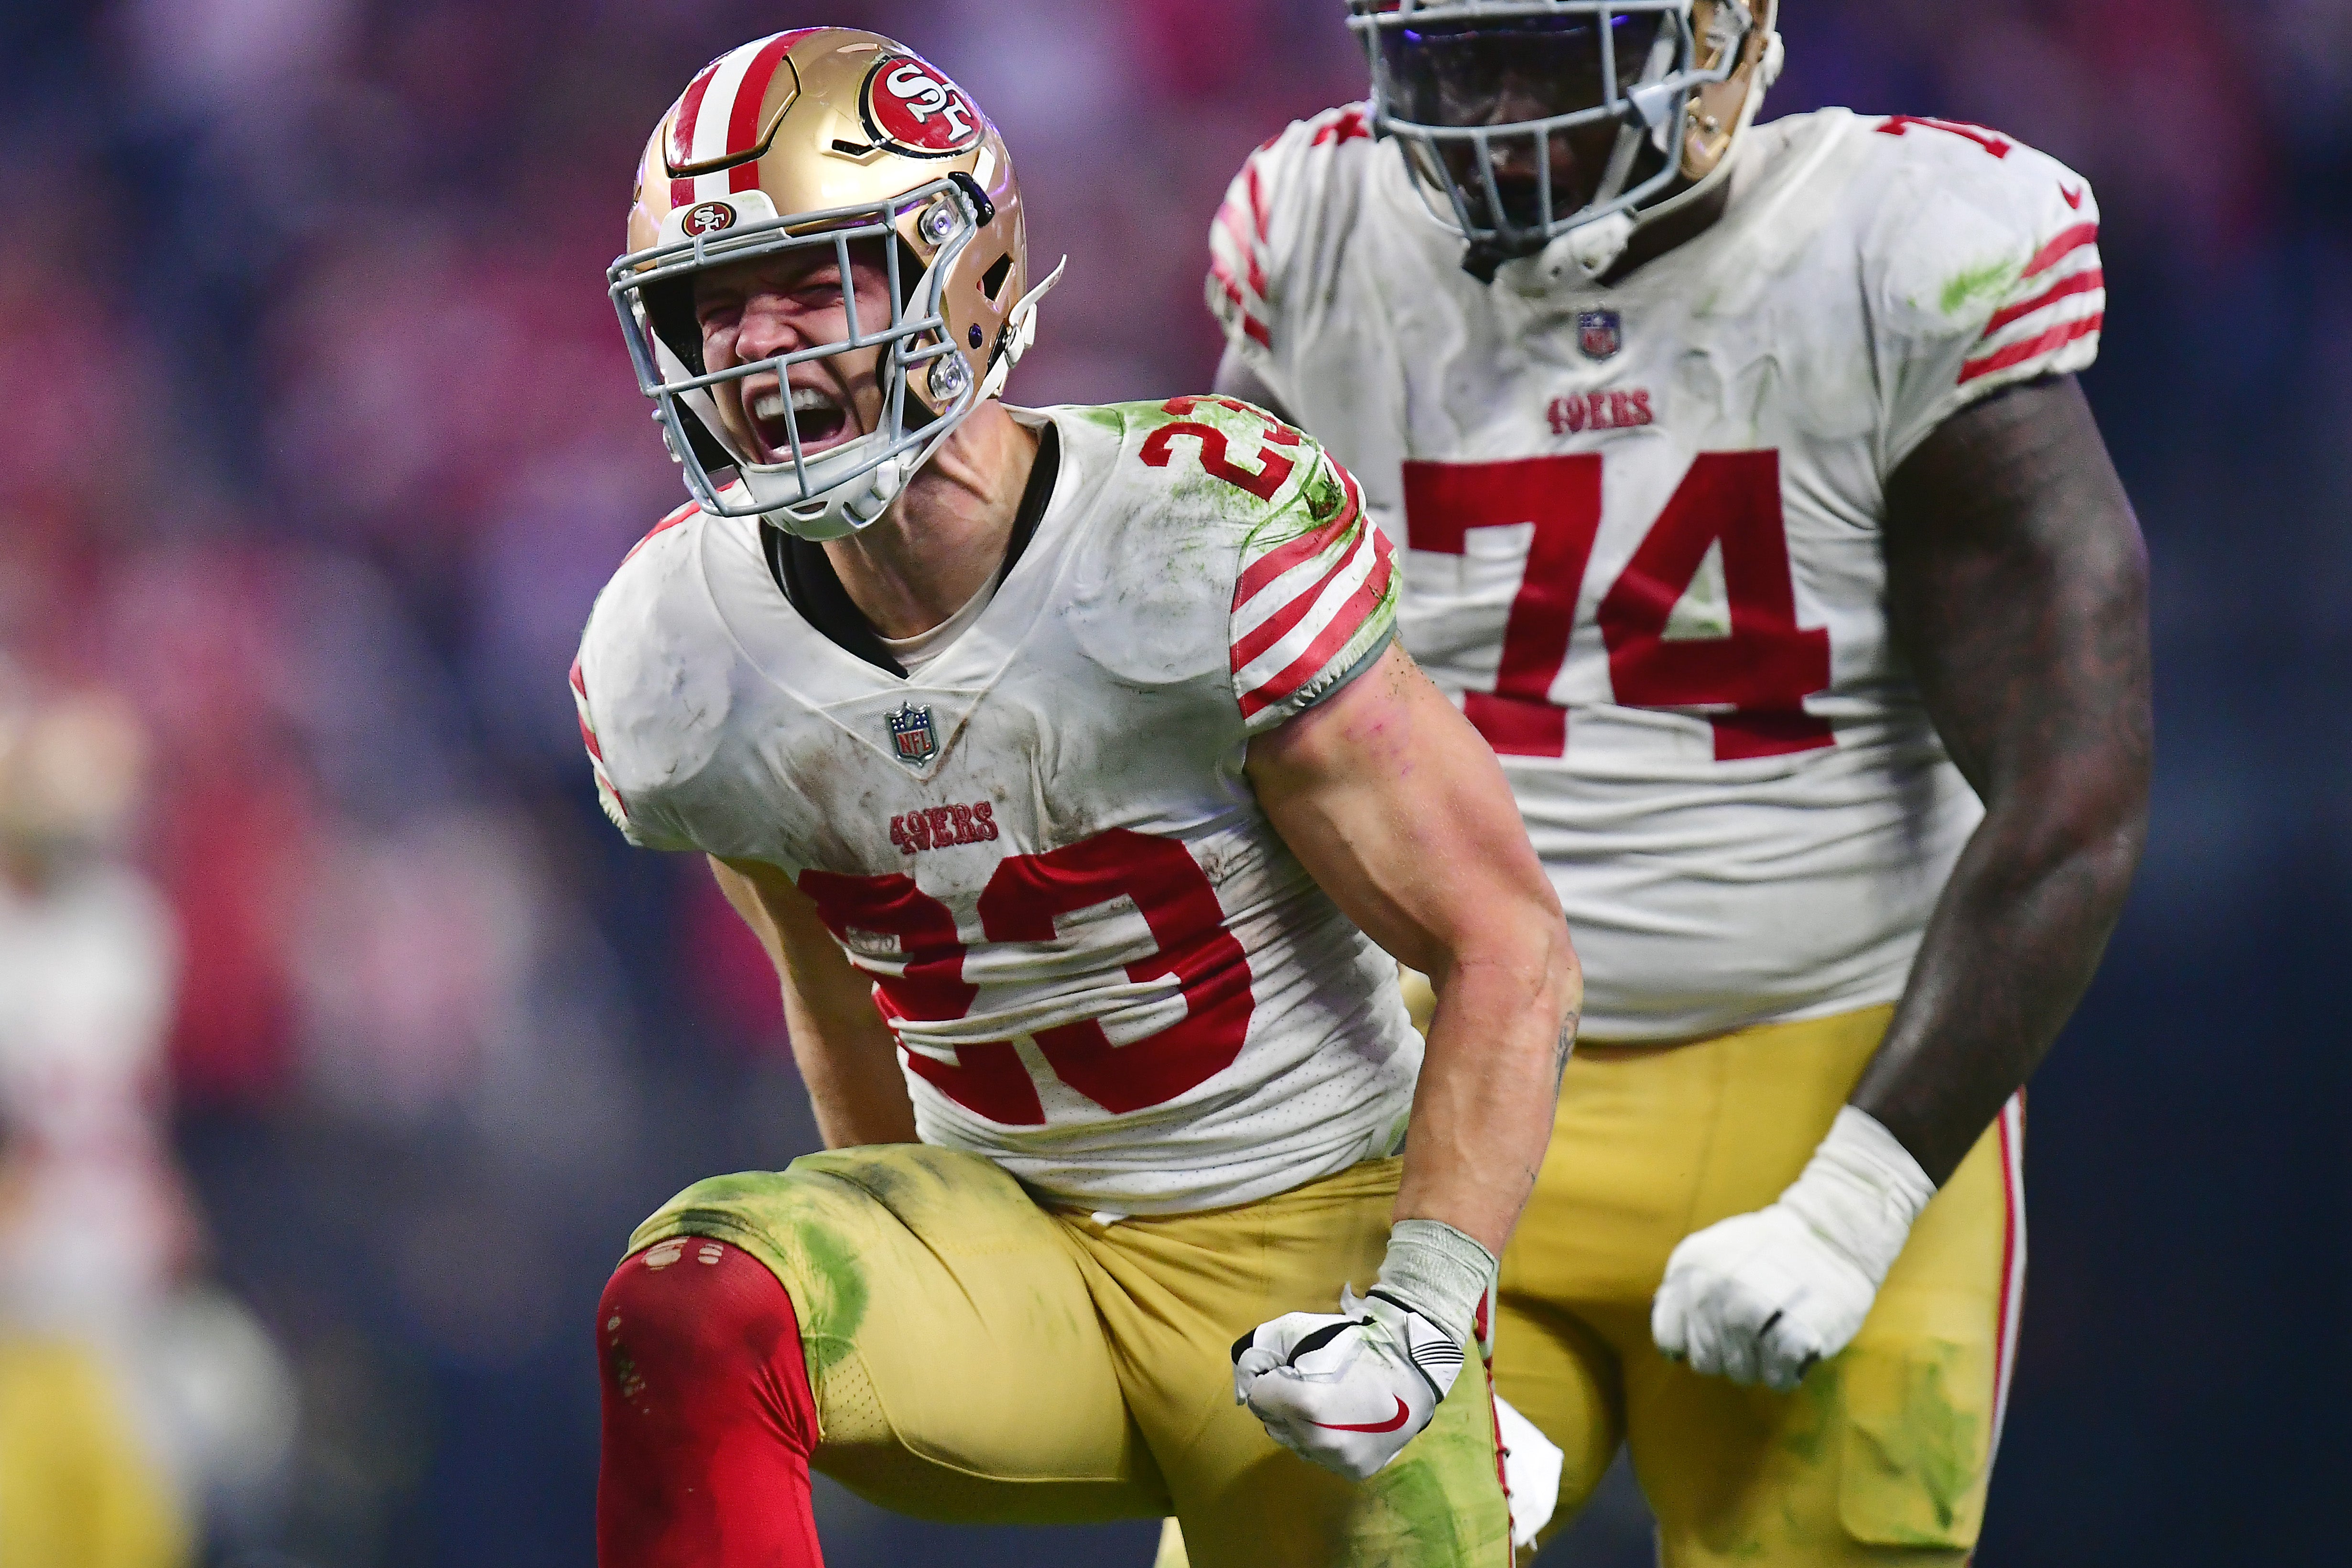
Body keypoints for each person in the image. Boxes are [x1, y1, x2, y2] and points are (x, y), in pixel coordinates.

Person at [573, 27, 1581, 1568]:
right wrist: (902, 1253)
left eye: (806, 284)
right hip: (1014, 1253)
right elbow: (834, 996)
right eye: (712, 305)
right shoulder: (678, 645)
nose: (754, 347)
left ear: (959, 274)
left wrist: (1427, 1317)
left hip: (1303, 1249)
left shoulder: (1190, 536)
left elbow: (1505, 947)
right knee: (691, 1304)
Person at [1198, 2, 2151, 1563]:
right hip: (1440, 1104)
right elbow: (1198, 712)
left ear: (1710, 39)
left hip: (1825, 1084)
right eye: (1452, 60)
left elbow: (2073, 793)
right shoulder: (1321, 241)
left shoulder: (1892, 253)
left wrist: (1854, 1200)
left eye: (1548, 54)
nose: (1493, 116)